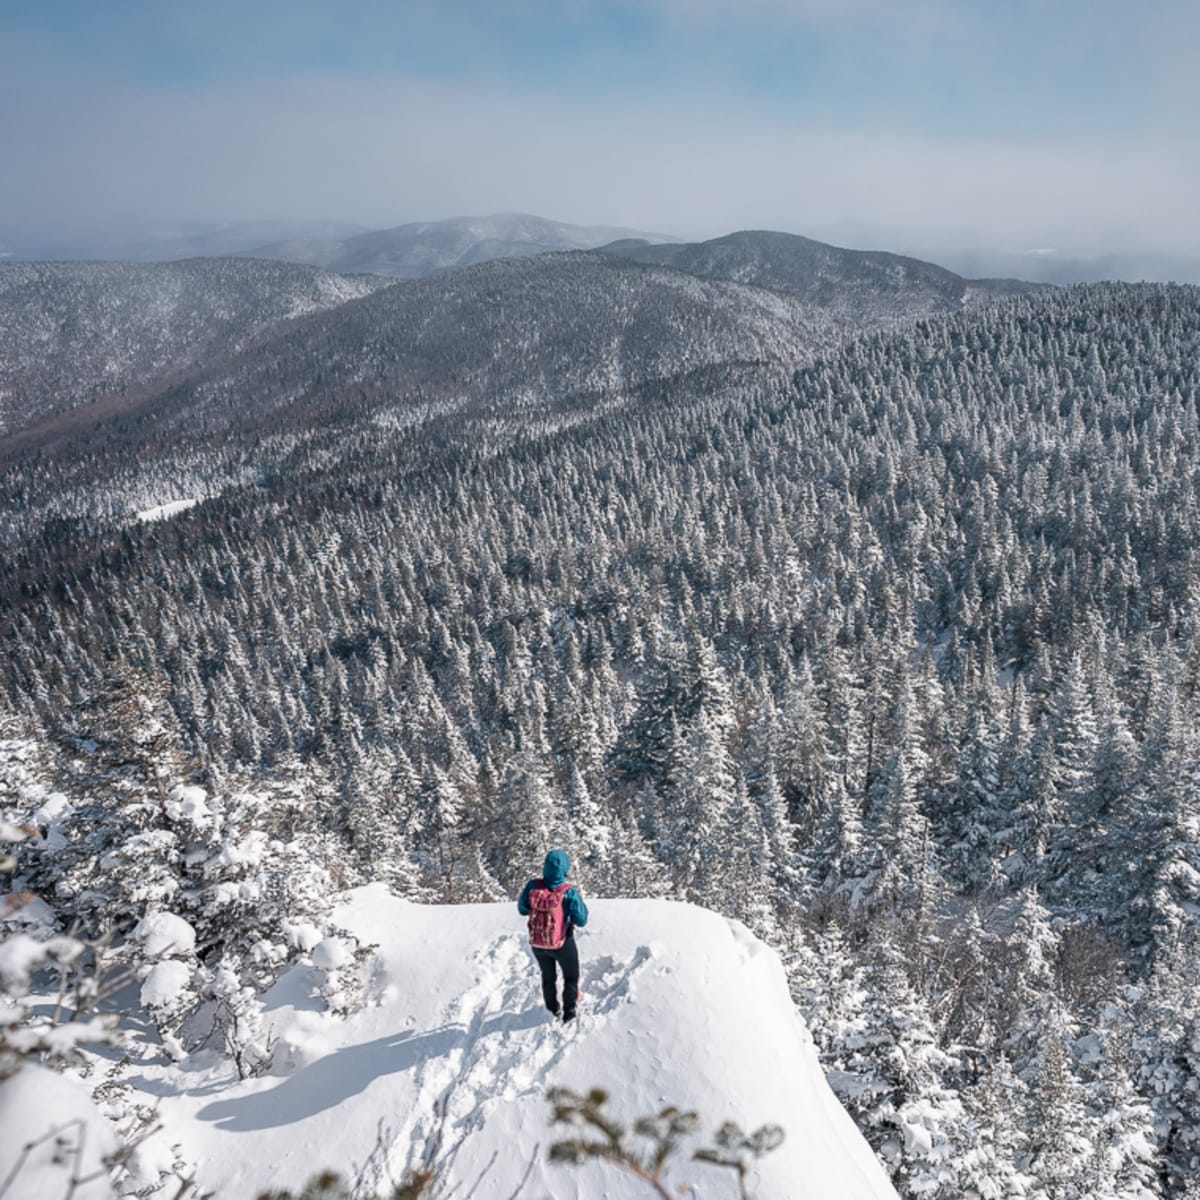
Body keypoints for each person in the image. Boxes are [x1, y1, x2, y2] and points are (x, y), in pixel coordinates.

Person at [517, 849, 588, 1021]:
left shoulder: (533, 886)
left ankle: (552, 1010)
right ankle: (569, 1011)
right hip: (562, 942)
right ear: (565, 869)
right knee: (571, 976)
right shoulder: (568, 892)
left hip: (538, 943)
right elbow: (581, 920)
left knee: (548, 977)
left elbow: (522, 909)